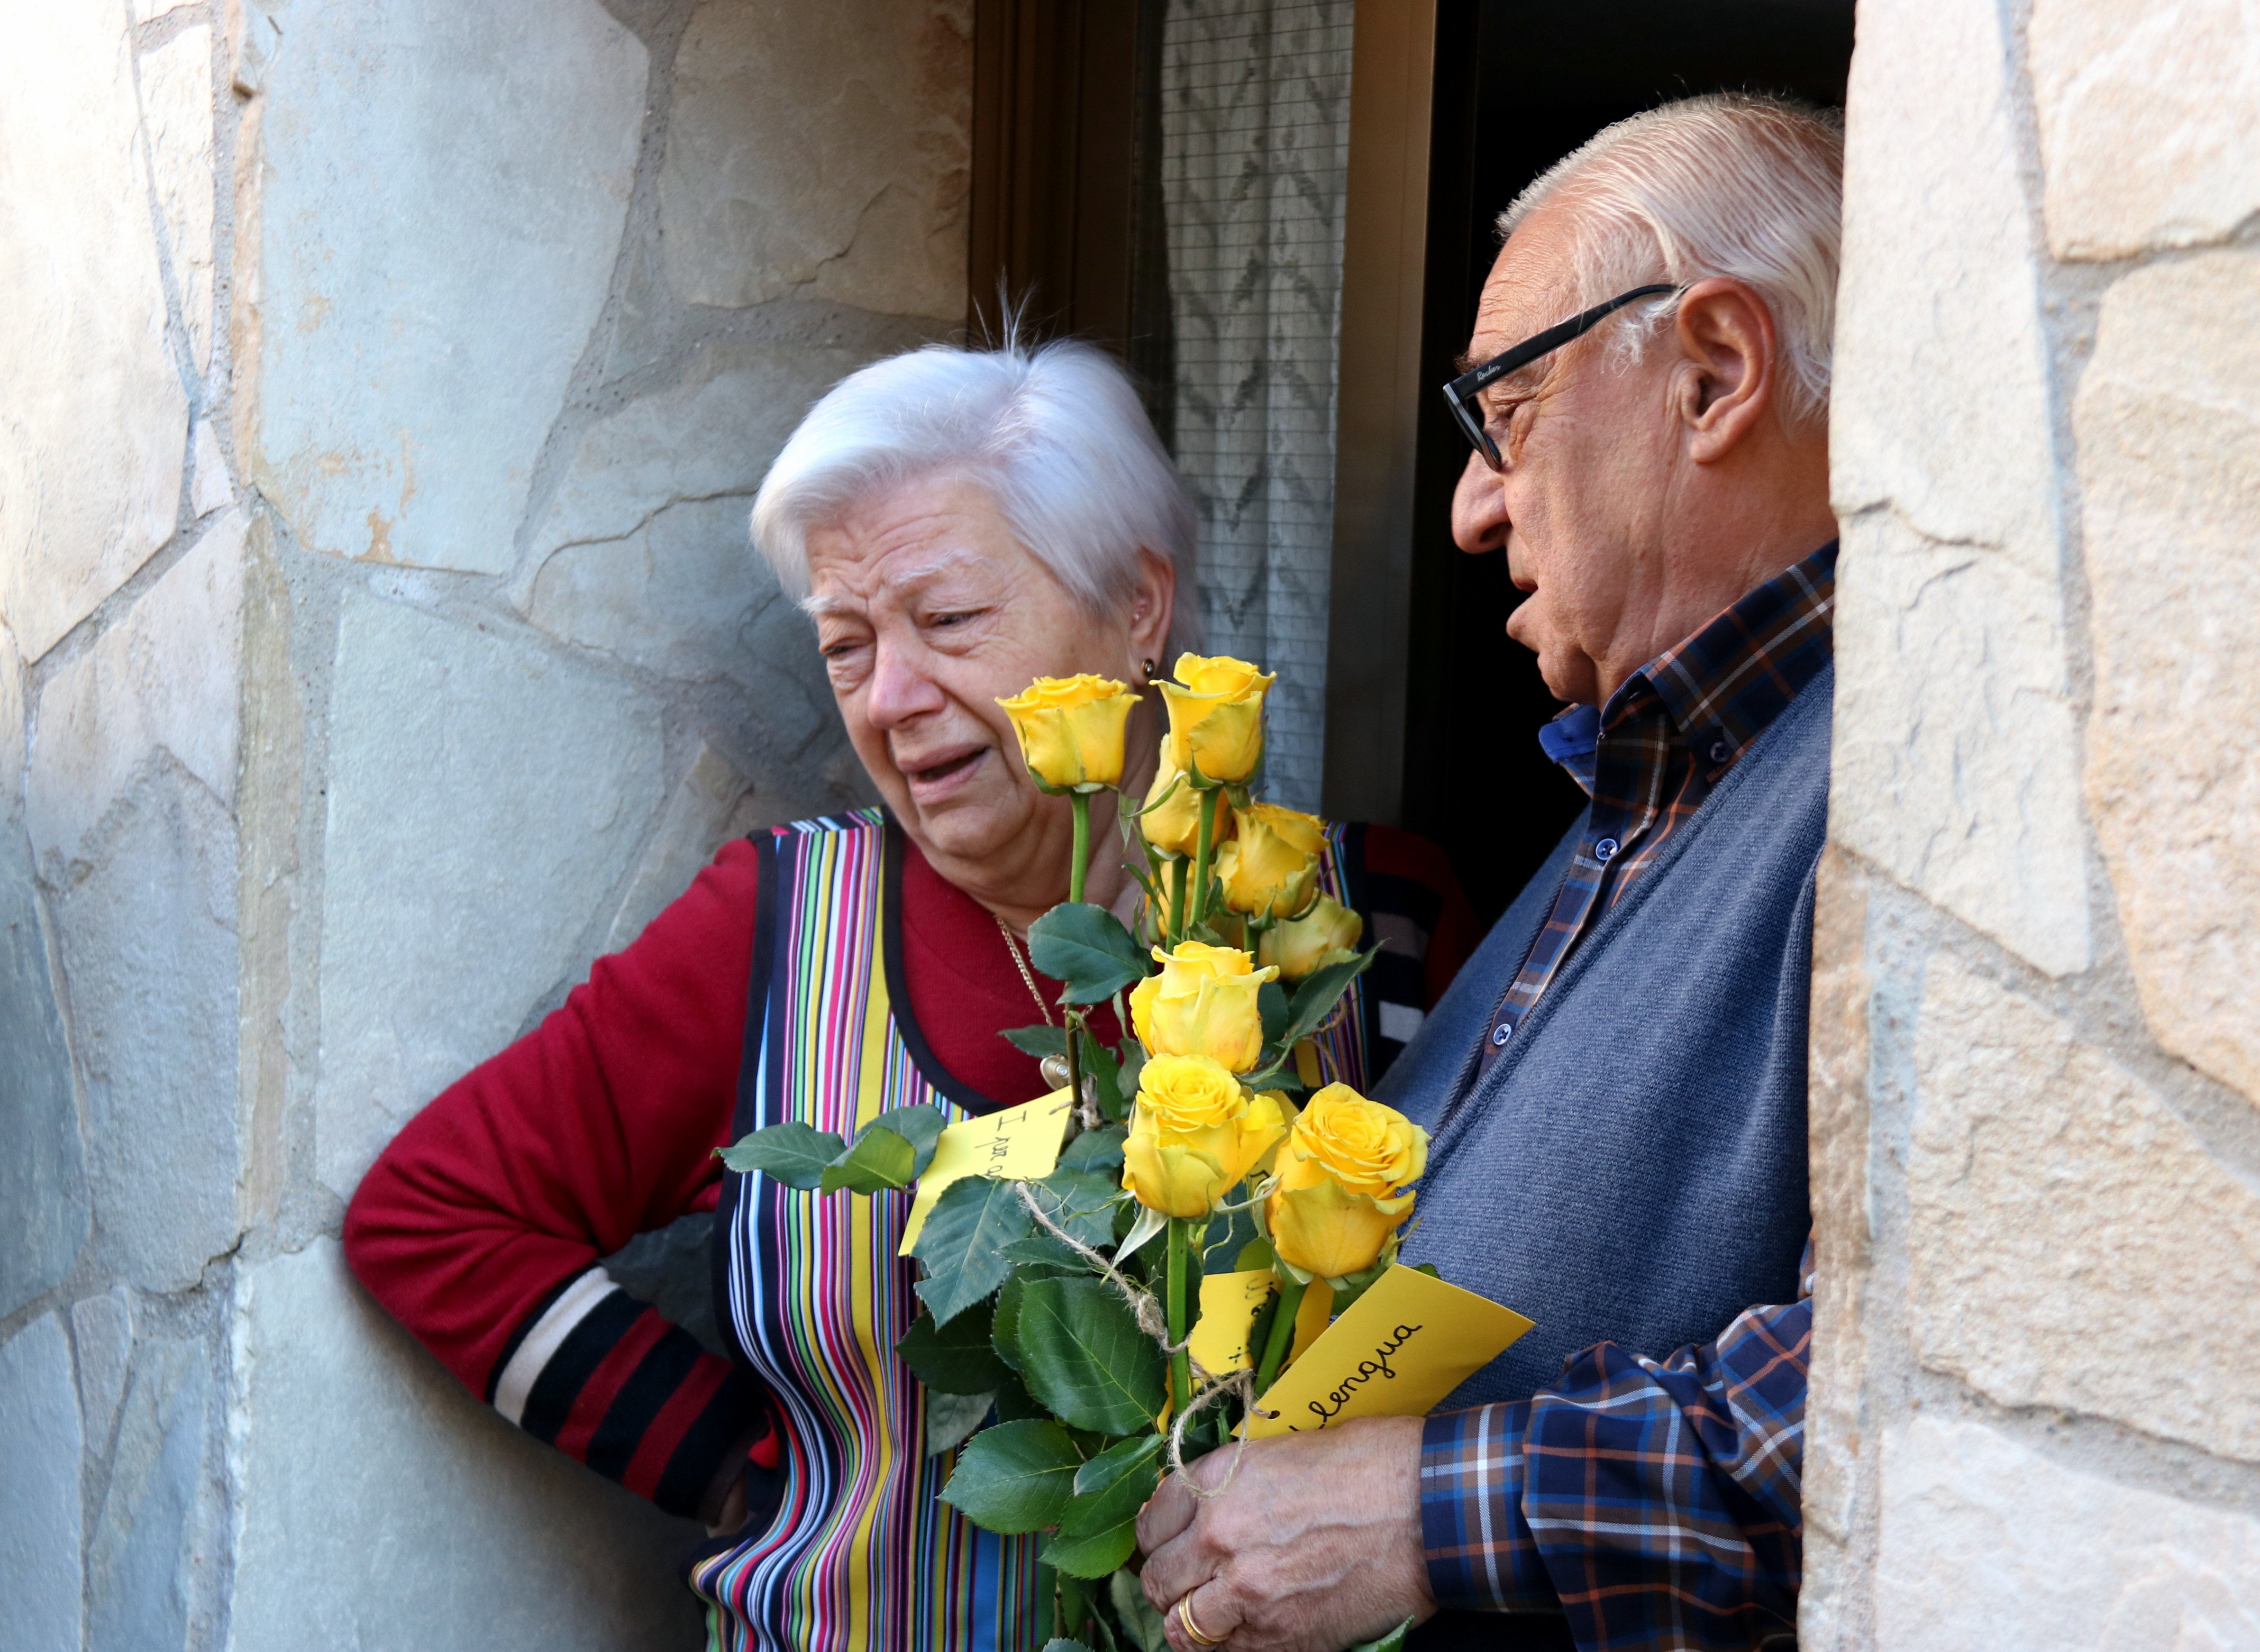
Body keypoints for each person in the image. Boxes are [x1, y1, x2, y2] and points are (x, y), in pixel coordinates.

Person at [342, 338, 1478, 1651]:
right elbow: (433, 1214)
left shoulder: (1369, 933)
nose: (888, 698)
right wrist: (755, 1475)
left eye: (946, 621)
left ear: (1139, 604)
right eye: (845, 644)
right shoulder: (777, 932)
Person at [1135, 93, 1837, 1652]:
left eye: (1506, 418)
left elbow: (1948, 1387)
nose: (1471, 509)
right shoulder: (1657, 782)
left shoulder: (1908, 787)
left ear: (1713, 372)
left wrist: (1417, 1513)